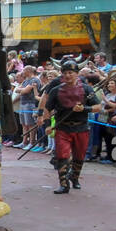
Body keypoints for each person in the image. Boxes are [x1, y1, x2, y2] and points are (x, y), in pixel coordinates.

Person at [40, 60, 101, 194]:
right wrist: (48, 125)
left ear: (77, 74)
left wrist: (85, 108)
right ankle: (63, 184)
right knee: (62, 155)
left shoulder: (87, 89)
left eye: (70, 73)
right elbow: (47, 109)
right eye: (65, 73)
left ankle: (74, 177)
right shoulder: (56, 91)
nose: (68, 75)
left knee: (79, 156)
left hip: (81, 128)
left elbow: (98, 107)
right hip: (63, 128)